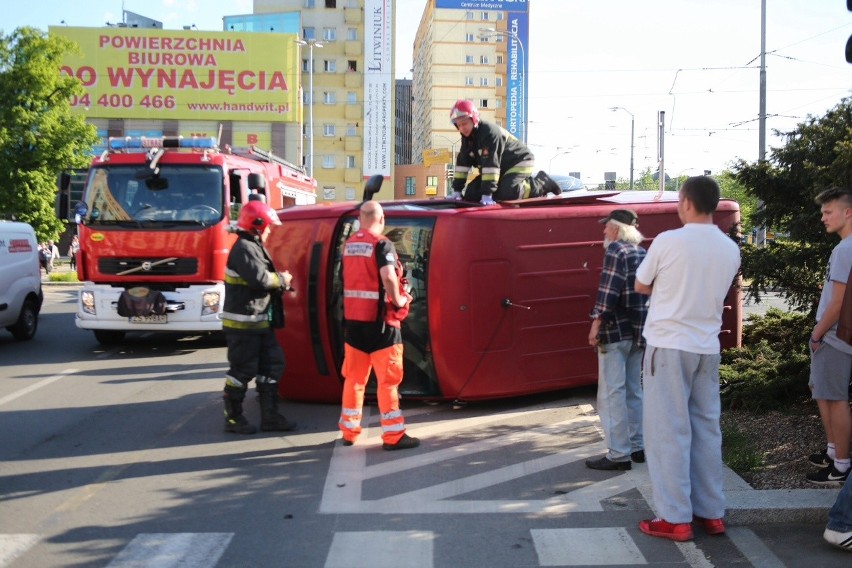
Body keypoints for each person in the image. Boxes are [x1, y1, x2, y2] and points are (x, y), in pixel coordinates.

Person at [633, 175, 740, 541]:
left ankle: (674, 516)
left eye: (679, 201)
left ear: (688, 203)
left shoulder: (667, 241)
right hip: (707, 346)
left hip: (668, 344)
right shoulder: (730, 248)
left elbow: (641, 284)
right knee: (707, 428)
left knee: (668, 430)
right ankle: (711, 512)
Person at [338, 200, 419, 451]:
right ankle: (393, 436)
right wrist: (399, 299)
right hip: (381, 325)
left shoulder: (348, 246)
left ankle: (349, 432)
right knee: (388, 382)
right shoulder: (382, 244)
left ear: (361, 219)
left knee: (354, 379)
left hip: (354, 325)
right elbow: (387, 276)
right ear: (381, 219)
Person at [221, 200, 297, 435]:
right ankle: (233, 418)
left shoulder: (253, 246)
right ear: (257, 225)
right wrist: (282, 279)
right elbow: (260, 280)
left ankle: (270, 417)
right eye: (268, 227)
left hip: (259, 321)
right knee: (242, 371)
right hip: (243, 324)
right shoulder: (244, 248)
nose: (270, 231)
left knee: (272, 366)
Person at [585, 209, 648, 471]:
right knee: (635, 390)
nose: (603, 232)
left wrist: (596, 324)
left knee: (612, 393)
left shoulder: (616, 252)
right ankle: (637, 446)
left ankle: (618, 454)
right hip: (638, 332)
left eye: (606, 227)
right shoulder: (642, 253)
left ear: (617, 229)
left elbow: (608, 292)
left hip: (615, 332)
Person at [806, 187, 852, 486]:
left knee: (835, 399)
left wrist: (817, 332)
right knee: (824, 393)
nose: (823, 217)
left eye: (828, 211)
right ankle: (834, 453)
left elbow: (837, 303)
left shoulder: (844, 249)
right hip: (836, 336)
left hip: (834, 336)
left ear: (848, 212)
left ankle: (840, 466)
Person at [449, 99, 558, 204]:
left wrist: (487, 193)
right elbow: (462, 165)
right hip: (499, 168)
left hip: (519, 160)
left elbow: (491, 164)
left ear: (474, 120)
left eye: (464, 123)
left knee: (508, 192)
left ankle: (541, 183)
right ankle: (504, 188)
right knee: (471, 193)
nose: (462, 128)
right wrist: (457, 191)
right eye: (459, 125)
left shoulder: (489, 133)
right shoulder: (467, 138)